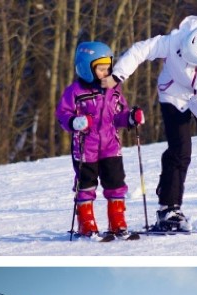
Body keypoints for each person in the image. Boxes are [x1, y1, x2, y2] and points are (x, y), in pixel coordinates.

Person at [104, 16, 197, 232]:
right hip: (174, 93)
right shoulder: (176, 41)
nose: (186, 60)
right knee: (180, 150)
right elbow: (140, 50)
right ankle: (169, 209)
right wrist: (117, 75)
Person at [56, 41, 144, 238]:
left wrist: (131, 117)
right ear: (86, 69)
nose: (106, 73)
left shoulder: (113, 89)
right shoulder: (75, 92)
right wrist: (74, 121)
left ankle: (117, 222)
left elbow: (118, 115)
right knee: (86, 185)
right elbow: (62, 114)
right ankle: (86, 224)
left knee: (115, 183)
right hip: (85, 148)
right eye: (101, 69)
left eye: (108, 68)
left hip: (111, 146)